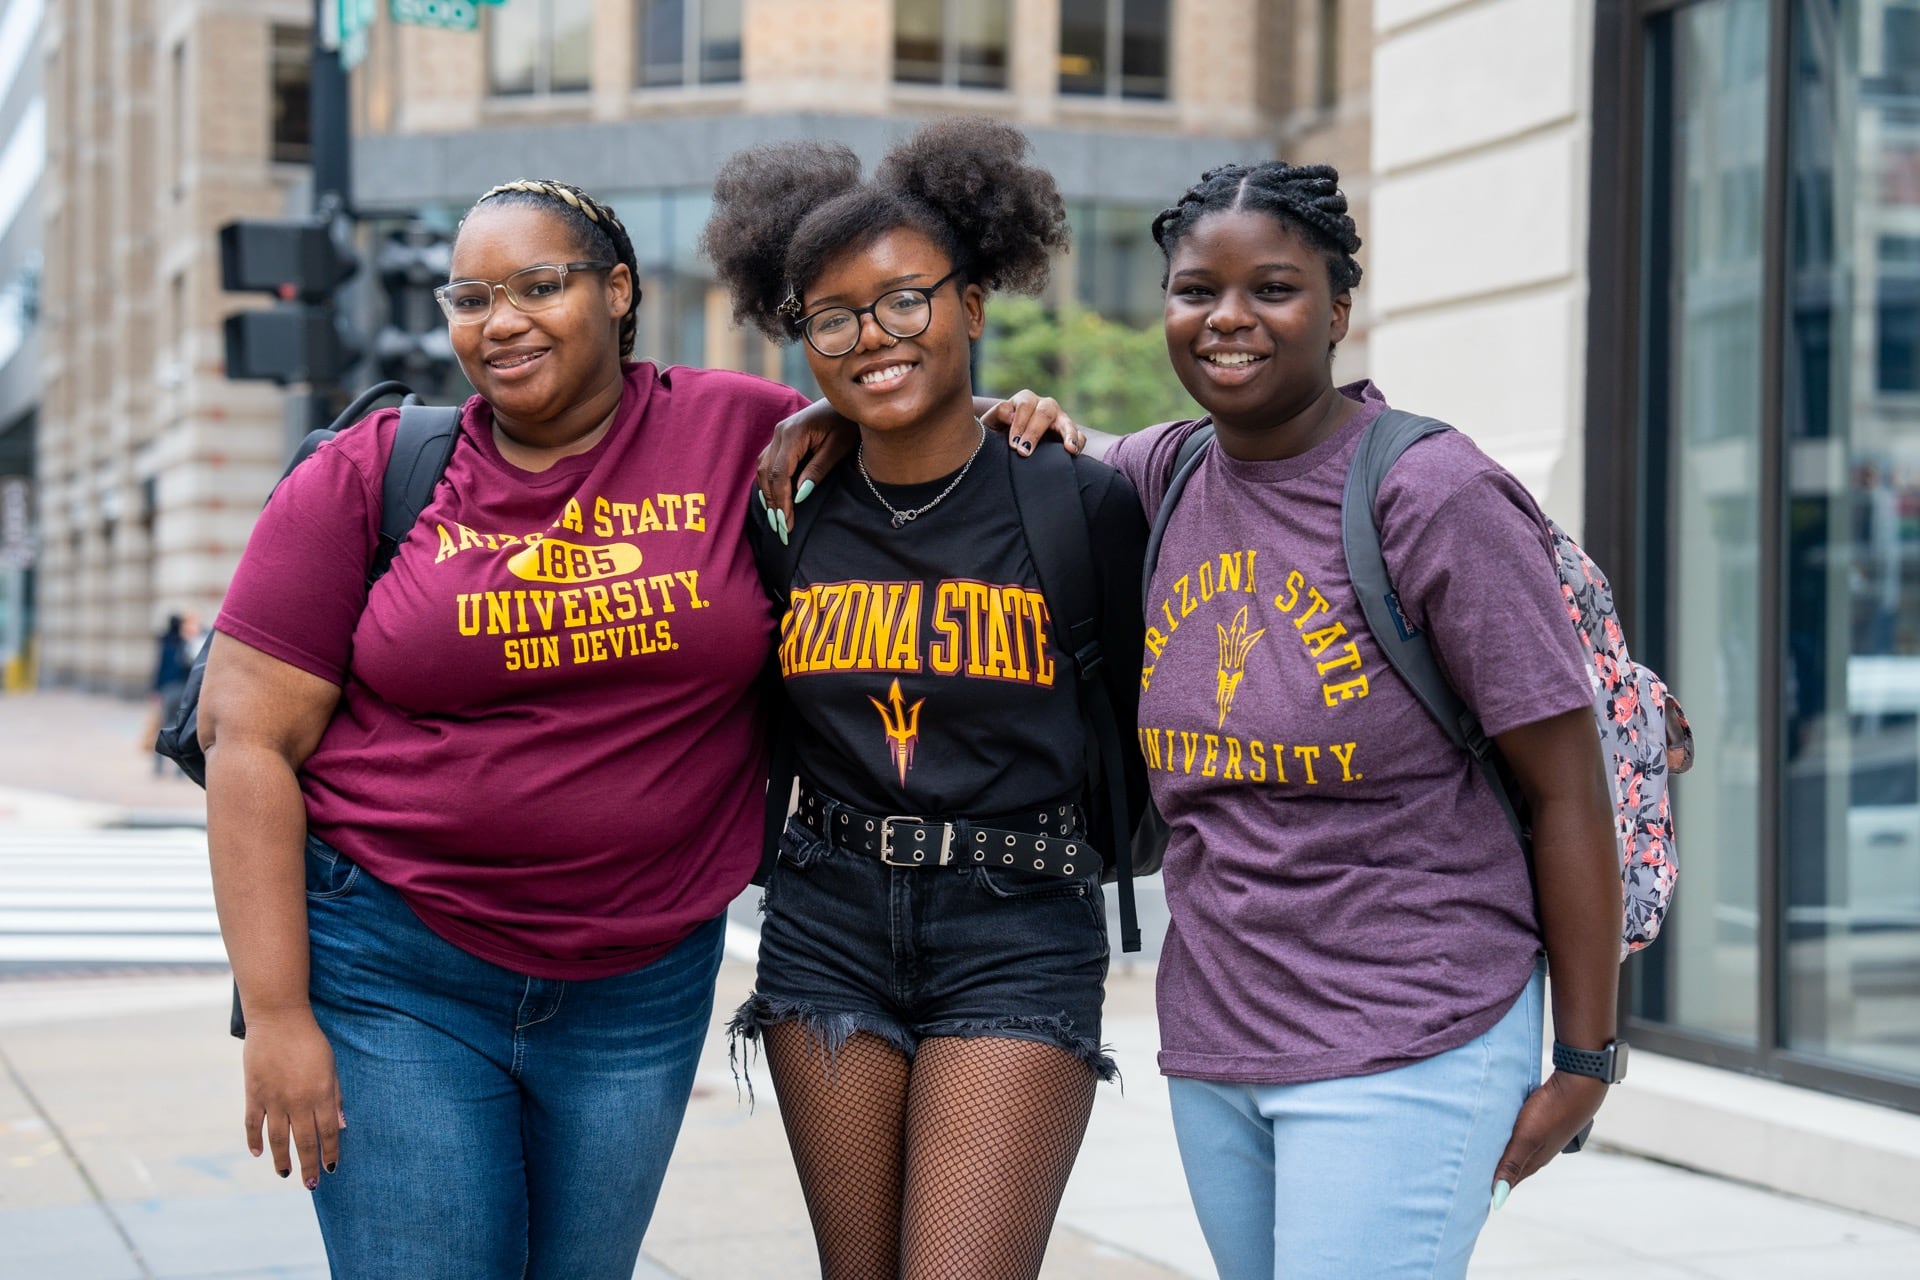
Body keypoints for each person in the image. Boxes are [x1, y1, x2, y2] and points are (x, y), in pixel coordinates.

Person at [197, 174, 1075, 1279]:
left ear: (618, 291)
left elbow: (904, 411)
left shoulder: (740, 430)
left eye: (539, 285)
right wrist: (278, 1012)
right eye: (469, 297)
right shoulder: (373, 473)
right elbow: (248, 744)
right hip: (399, 968)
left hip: (639, 989)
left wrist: (1008, 414)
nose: (500, 319)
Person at [1088, 162, 1621, 1279]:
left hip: (1412, 1025)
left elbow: (1571, 790)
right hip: (1221, 1030)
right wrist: (823, 415)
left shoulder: (1430, 495)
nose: (1228, 319)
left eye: (1273, 288)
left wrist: (1584, 1052)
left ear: (1337, 310)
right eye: (1196, 291)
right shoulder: (1166, 472)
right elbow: (989, 439)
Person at [703, 117, 1149, 1280]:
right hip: (827, 917)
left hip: (1018, 915)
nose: (873, 337)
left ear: (972, 304)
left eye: (905, 301)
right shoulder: (787, 512)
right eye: (832, 317)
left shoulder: (1075, 502)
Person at [150, 613, 194, 775]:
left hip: (167, 689)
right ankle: (179, 769)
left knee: (163, 725)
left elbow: (159, 668)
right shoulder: (184, 644)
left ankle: (159, 765)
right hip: (182, 690)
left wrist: (155, 690)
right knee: (180, 727)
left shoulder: (165, 642)